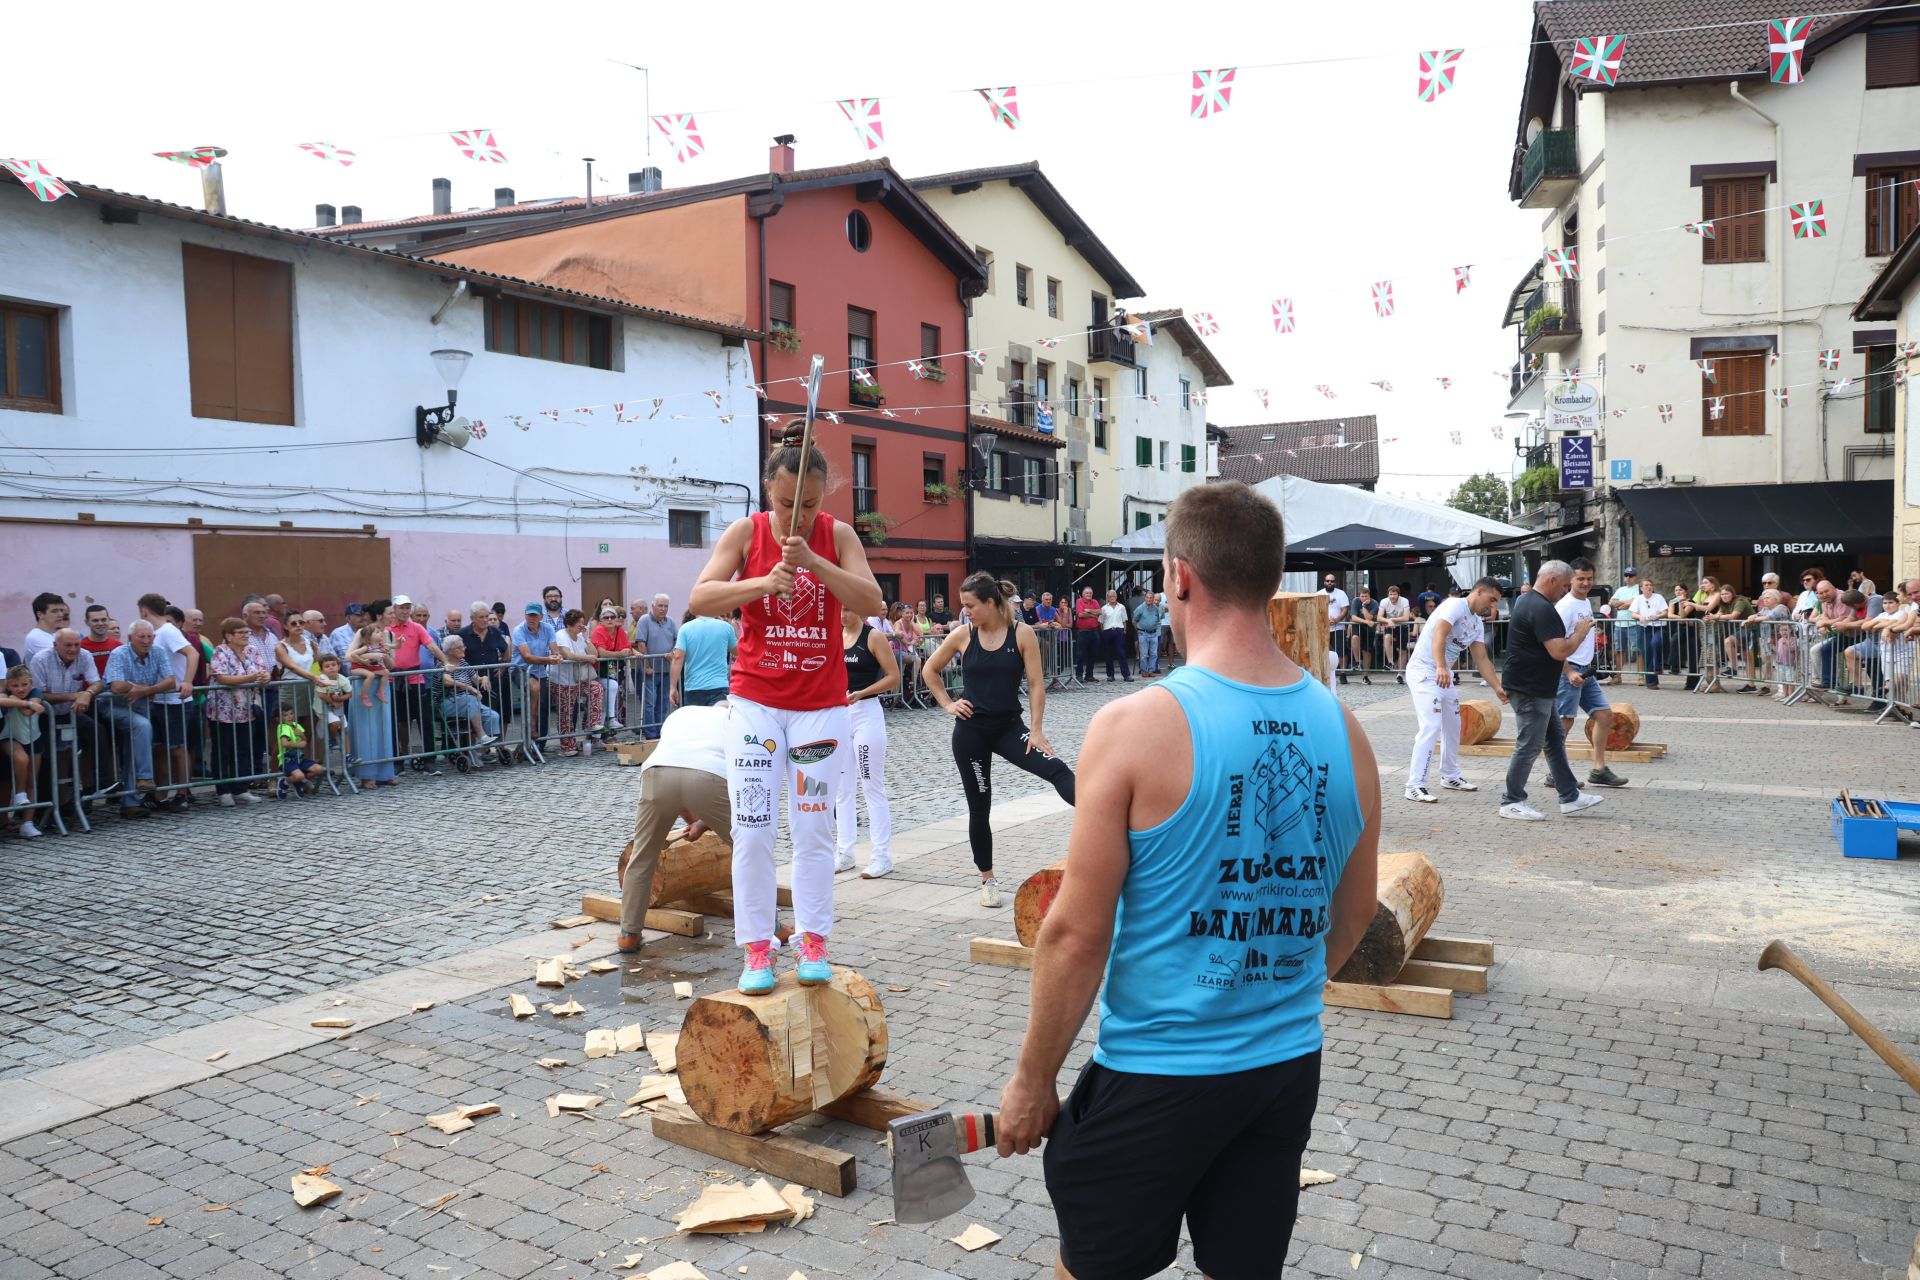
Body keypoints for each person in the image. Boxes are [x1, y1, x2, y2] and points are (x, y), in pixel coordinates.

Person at [992, 482, 1379, 1280]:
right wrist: (1266, 994)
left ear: (1179, 577)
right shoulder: (1346, 733)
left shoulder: (1135, 725)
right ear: (1274, 581)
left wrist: (1033, 1081)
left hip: (1159, 1072)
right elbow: (1357, 910)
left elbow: (1074, 932)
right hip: (1283, 1068)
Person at [689, 425, 884, 994]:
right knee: (751, 829)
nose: (796, 516)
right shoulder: (745, 532)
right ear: (767, 491)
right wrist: (760, 583)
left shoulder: (837, 533)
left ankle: (813, 939)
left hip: (821, 706)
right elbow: (701, 598)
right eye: (784, 504)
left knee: (813, 828)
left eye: (810, 505)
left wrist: (816, 564)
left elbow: (872, 601)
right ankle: (755, 947)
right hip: (755, 702)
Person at [924, 573, 1076, 907]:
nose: (965, 612)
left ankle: (1107, 821)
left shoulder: (1021, 633)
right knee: (980, 807)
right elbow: (929, 671)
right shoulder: (963, 635)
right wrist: (949, 703)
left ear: (990, 603)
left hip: (1010, 728)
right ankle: (988, 880)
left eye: (970, 606)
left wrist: (1036, 730)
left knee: (1058, 770)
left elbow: (1036, 683)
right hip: (971, 733)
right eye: (963, 607)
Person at [618, 703, 735, 953]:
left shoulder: (680, 714)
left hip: (656, 774)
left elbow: (677, 780)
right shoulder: (732, 719)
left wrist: (696, 823)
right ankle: (770, 925)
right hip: (709, 775)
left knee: (642, 855)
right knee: (749, 849)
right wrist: (703, 823)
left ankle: (628, 933)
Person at [1499, 562, 1607, 821]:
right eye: (1563, 585)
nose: (1564, 590)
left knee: (1554, 741)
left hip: (1536, 687)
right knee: (1529, 745)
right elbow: (1559, 651)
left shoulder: (1529, 602)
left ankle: (1570, 796)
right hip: (1530, 688)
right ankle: (1511, 801)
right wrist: (1580, 634)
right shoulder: (1540, 607)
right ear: (1551, 580)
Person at [1403, 577, 1506, 803]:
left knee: (1453, 724)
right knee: (1431, 725)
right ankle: (1414, 785)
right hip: (1425, 670)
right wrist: (1441, 665)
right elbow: (1439, 634)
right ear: (1479, 591)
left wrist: (1497, 687)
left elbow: (1481, 658)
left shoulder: (1477, 623)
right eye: (1491, 599)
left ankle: (1450, 775)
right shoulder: (1454, 605)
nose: (1491, 607)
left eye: (1495, 602)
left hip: (1443, 675)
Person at [834, 604, 900, 880]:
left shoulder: (872, 636)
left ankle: (881, 856)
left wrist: (862, 693)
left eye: (849, 609)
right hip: (838, 714)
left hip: (866, 713)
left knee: (871, 784)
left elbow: (893, 677)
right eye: (839, 609)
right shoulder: (833, 635)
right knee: (841, 789)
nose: (843, 615)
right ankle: (845, 852)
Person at [1556, 558, 1626, 789]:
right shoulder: (1565, 607)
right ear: (1570, 580)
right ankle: (1556, 772)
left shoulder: (1585, 602)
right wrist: (1567, 672)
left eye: (1589, 579)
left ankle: (1599, 769)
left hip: (1585, 671)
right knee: (1564, 722)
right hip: (1569, 670)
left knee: (1605, 716)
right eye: (1580, 579)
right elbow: (1553, 645)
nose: (1585, 583)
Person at [101, 620, 175, 820]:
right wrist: (144, 688)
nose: (146, 641)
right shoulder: (119, 653)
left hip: (140, 705)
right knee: (142, 727)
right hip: (113, 706)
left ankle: (130, 803)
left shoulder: (158, 651)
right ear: (130, 638)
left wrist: (145, 690)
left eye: (150, 636)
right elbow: (116, 686)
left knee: (133, 748)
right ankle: (144, 777)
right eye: (141, 637)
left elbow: (170, 680)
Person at [207, 616, 271, 805]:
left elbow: (263, 670)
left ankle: (241, 787)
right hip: (223, 709)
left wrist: (264, 677)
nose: (246, 636)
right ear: (228, 635)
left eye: (247, 632)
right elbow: (222, 678)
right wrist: (252, 677)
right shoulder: (221, 651)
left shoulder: (252, 650)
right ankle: (223, 790)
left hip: (246, 708)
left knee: (243, 749)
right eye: (241, 633)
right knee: (223, 750)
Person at [389, 595, 448, 773]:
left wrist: (445, 662)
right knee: (395, 722)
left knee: (425, 720)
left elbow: (432, 646)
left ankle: (430, 760)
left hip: (416, 679)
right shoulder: (386, 628)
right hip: (394, 680)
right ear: (394, 609)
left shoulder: (416, 628)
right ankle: (397, 761)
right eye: (401, 608)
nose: (405, 611)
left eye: (407, 608)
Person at [345, 607, 400, 789]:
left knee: (383, 728)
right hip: (364, 683)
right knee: (367, 729)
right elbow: (348, 656)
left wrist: (385, 656)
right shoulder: (364, 633)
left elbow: (392, 664)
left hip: (381, 685)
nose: (394, 616)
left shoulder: (389, 635)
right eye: (390, 613)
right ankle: (366, 774)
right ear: (379, 615)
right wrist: (369, 657)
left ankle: (385, 772)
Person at [549, 609, 604, 756]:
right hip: (562, 680)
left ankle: (592, 723)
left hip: (579, 679)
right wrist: (587, 658)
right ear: (569, 624)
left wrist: (587, 638)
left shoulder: (580, 636)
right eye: (579, 623)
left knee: (596, 688)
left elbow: (595, 654)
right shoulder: (561, 635)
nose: (582, 625)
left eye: (582, 622)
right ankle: (567, 746)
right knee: (566, 712)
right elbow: (567, 654)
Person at [1, 664, 47, 837]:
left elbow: (29, 712)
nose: (20, 689)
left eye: (23, 685)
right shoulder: (6, 693)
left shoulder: (36, 692)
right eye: (15, 686)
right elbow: (1, 700)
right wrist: (25, 702)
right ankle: (19, 793)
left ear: (30, 683)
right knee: (21, 759)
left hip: (33, 738)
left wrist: (19, 701)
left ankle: (27, 822)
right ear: (8, 685)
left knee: (32, 780)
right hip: (10, 736)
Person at [437, 635, 501, 749]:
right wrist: (469, 688)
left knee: (493, 716)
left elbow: (476, 678)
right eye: (460, 647)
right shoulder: (442, 665)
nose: (464, 649)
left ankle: (482, 751)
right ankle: (482, 736)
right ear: (450, 651)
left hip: (468, 702)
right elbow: (446, 681)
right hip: (449, 703)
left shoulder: (463, 663)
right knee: (470, 699)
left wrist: (484, 678)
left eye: (463, 646)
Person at [632, 594, 680, 738]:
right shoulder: (644, 620)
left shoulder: (670, 621)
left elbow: (677, 642)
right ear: (653, 606)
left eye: (666, 606)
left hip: (666, 669)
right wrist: (646, 666)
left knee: (663, 703)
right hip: (650, 670)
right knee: (650, 703)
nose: (663, 609)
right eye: (660, 606)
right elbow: (641, 644)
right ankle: (651, 733)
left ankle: (660, 730)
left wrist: (672, 652)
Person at [672, 608, 737, 709]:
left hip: (694, 687)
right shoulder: (726, 627)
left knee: (696, 723)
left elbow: (677, 657)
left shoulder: (685, 628)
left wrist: (672, 687)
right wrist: (735, 629)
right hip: (719, 685)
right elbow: (737, 651)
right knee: (717, 723)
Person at [590, 606, 633, 733]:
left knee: (605, 701)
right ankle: (611, 718)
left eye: (612, 617)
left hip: (611, 665)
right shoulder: (598, 631)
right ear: (601, 621)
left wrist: (624, 652)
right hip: (597, 667)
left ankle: (598, 737)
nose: (609, 620)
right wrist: (620, 653)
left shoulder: (619, 631)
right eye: (606, 617)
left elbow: (628, 649)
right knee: (610, 688)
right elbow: (602, 653)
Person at [1629, 578, 1670, 688]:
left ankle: (1658, 666)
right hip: (1645, 628)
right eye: (1646, 585)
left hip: (1658, 627)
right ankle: (1652, 682)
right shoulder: (1638, 599)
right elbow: (1633, 614)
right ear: (1641, 588)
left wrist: (1657, 616)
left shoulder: (1659, 597)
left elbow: (1665, 612)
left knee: (1655, 643)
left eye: (1650, 585)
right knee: (1647, 652)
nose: (1649, 587)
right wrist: (1640, 616)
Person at [274, 704, 320, 798]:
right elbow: (284, 743)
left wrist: (301, 735)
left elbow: (305, 740)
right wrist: (299, 744)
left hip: (300, 759)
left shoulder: (296, 725)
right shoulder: (283, 727)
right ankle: (285, 782)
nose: (290, 717)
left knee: (318, 770)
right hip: (288, 760)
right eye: (285, 715)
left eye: (291, 713)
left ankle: (298, 781)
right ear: (279, 719)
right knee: (300, 776)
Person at [1608, 568, 1641, 682]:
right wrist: (1627, 603)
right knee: (1619, 650)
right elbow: (1611, 603)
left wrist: (1620, 604)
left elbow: (1636, 602)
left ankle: (1641, 676)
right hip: (1619, 624)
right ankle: (1618, 676)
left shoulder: (1639, 588)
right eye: (1626, 575)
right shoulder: (1620, 589)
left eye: (1631, 575)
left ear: (1635, 577)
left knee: (1638, 650)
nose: (1628, 577)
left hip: (1633, 623)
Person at [1377, 584, 1412, 679]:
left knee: (1402, 650)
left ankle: (1400, 673)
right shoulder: (1384, 601)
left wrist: (1392, 619)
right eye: (1390, 594)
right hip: (1390, 624)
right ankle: (1390, 662)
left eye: (1394, 594)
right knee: (1387, 637)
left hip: (1402, 626)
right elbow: (1379, 617)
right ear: (1388, 595)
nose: (1392, 596)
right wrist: (1389, 621)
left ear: (1398, 595)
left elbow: (1406, 617)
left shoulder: (1404, 601)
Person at [1097, 589, 1132, 683]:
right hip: (1108, 631)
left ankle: (1126, 675)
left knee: (1121, 653)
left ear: (1116, 597)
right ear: (1107, 598)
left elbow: (1124, 620)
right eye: (1110, 596)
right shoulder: (1104, 608)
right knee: (1108, 654)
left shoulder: (1122, 607)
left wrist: (1124, 630)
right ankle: (1110, 675)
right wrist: (1103, 632)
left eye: (1114, 596)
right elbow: (1101, 622)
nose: (1112, 598)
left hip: (1118, 630)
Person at [1346, 586, 1379, 683]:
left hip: (1369, 629)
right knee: (1355, 637)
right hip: (1358, 625)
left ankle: (1365, 676)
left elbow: (1369, 618)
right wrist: (1366, 622)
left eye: (1366, 596)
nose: (1364, 598)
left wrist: (1364, 606)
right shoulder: (1356, 601)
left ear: (1369, 596)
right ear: (1359, 596)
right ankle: (1357, 661)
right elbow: (1354, 617)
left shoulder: (1374, 603)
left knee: (1367, 652)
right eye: (1362, 596)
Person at [1132, 591, 1166, 677]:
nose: (1149, 599)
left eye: (1151, 598)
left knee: (1154, 654)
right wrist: (1138, 630)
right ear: (1145, 598)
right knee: (1144, 654)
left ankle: (1151, 671)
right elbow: (1134, 620)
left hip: (1154, 633)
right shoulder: (1140, 608)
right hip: (1143, 633)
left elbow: (1159, 619)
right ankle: (1144, 671)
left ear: (1153, 599)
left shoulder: (1156, 608)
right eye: (1147, 597)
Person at [1072, 587, 1102, 683]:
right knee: (1080, 654)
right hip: (1083, 631)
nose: (1089, 595)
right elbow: (1080, 614)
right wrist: (1093, 614)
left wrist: (1088, 610)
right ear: (1083, 594)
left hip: (1094, 630)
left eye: (1090, 593)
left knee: (1093, 654)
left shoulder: (1095, 602)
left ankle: (1089, 675)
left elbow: (1100, 612)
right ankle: (1079, 675)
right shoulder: (1079, 601)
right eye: (1087, 593)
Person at [24, 593, 68, 659]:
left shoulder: (57, 634)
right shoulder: (35, 637)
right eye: (54, 611)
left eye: (61, 610)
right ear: (40, 615)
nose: (61, 615)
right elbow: (64, 658)